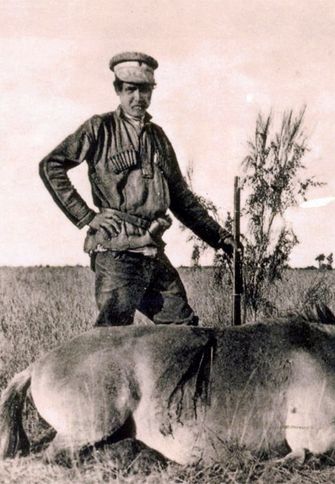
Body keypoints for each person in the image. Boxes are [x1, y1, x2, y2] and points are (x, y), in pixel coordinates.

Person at [39, 52, 235, 327]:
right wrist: (87, 217)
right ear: (117, 90)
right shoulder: (99, 128)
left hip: (152, 249)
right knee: (112, 340)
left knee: (184, 331)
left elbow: (181, 199)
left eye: (145, 90)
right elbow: (51, 166)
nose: (138, 98)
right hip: (117, 253)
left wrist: (221, 238)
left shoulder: (158, 137)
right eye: (131, 89)